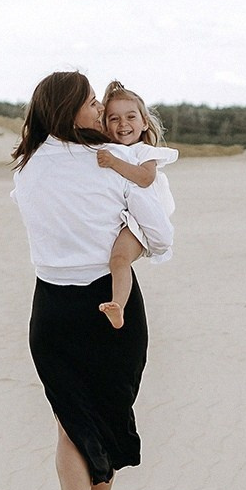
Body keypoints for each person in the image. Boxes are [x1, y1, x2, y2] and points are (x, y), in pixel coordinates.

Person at [8, 70, 174, 490]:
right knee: (107, 416)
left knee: (70, 422)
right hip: (109, 304)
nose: (99, 109)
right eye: (91, 102)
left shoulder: (28, 168)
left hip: (52, 309)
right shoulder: (114, 162)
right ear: (69, 109)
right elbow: (161, 237)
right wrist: (135, 240)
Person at [91, 81, 179, 329]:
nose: (123, 124)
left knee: (120, 258)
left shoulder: (145, 152)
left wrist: (113, 163)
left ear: (144, 123)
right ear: (105, 125)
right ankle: (117, 306)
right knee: (118, 260)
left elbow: (144, 178)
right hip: (126, 220)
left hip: (144, 221)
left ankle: (118, 303)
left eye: (131, 117)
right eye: (114, 119)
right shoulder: (106, 149)